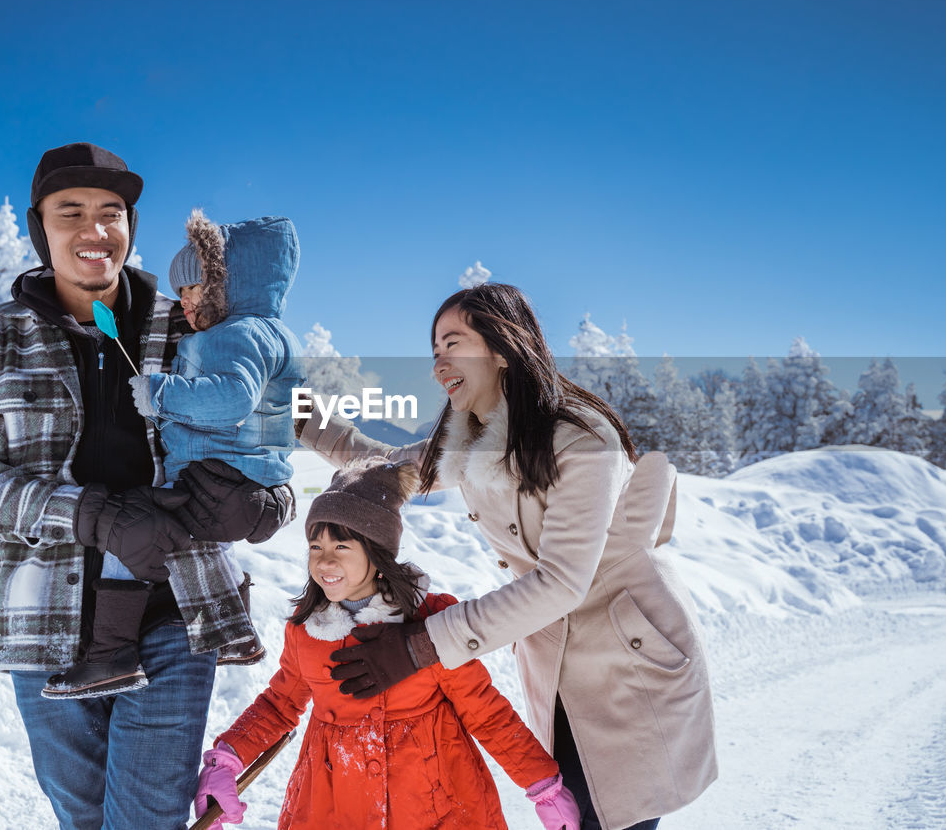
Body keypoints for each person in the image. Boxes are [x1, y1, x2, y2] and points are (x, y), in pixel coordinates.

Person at [295, 283, 718, 830]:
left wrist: (423, 646)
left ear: (501, 348)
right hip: (562, 667)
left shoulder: (582, 439)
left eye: (453, 345)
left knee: (615, 816)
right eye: (434, 353)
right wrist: (297, 413)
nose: (438, 365)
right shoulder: (472, 444)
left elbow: (562, 581)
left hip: (630, 659)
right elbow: (381, 465)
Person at [0, 142, 258, 829]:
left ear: (131, 227)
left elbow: (268, 436)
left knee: (143, 819)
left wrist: (261, 502)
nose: (94, 229)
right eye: (70, 211)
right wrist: (94, 516)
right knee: (83, 818)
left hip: (173, 611)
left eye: (111, 212)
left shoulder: (189, 328)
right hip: (43, 624)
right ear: (39, 227)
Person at [192, 457, 581, 830]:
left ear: (377, 553)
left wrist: (543, 786)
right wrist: (226, 759)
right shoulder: (307, 633)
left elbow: (486, 712)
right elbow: (279, 705)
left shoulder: (432, 623)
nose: (325, 562)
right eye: (316, 547)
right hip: (334, 806)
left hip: (437, 804)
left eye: (341, 548)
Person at [44, 210, 304, 698]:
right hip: (243, 486)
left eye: (195, 288)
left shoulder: (234, 335)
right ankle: (236, 633)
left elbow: (231, 400)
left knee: (135, 528)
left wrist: (164, 394)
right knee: (190, 539)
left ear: (231, 287)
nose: (183, 301)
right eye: (180, 290)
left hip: (223, 480)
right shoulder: (273, 333)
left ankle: (110, 657)